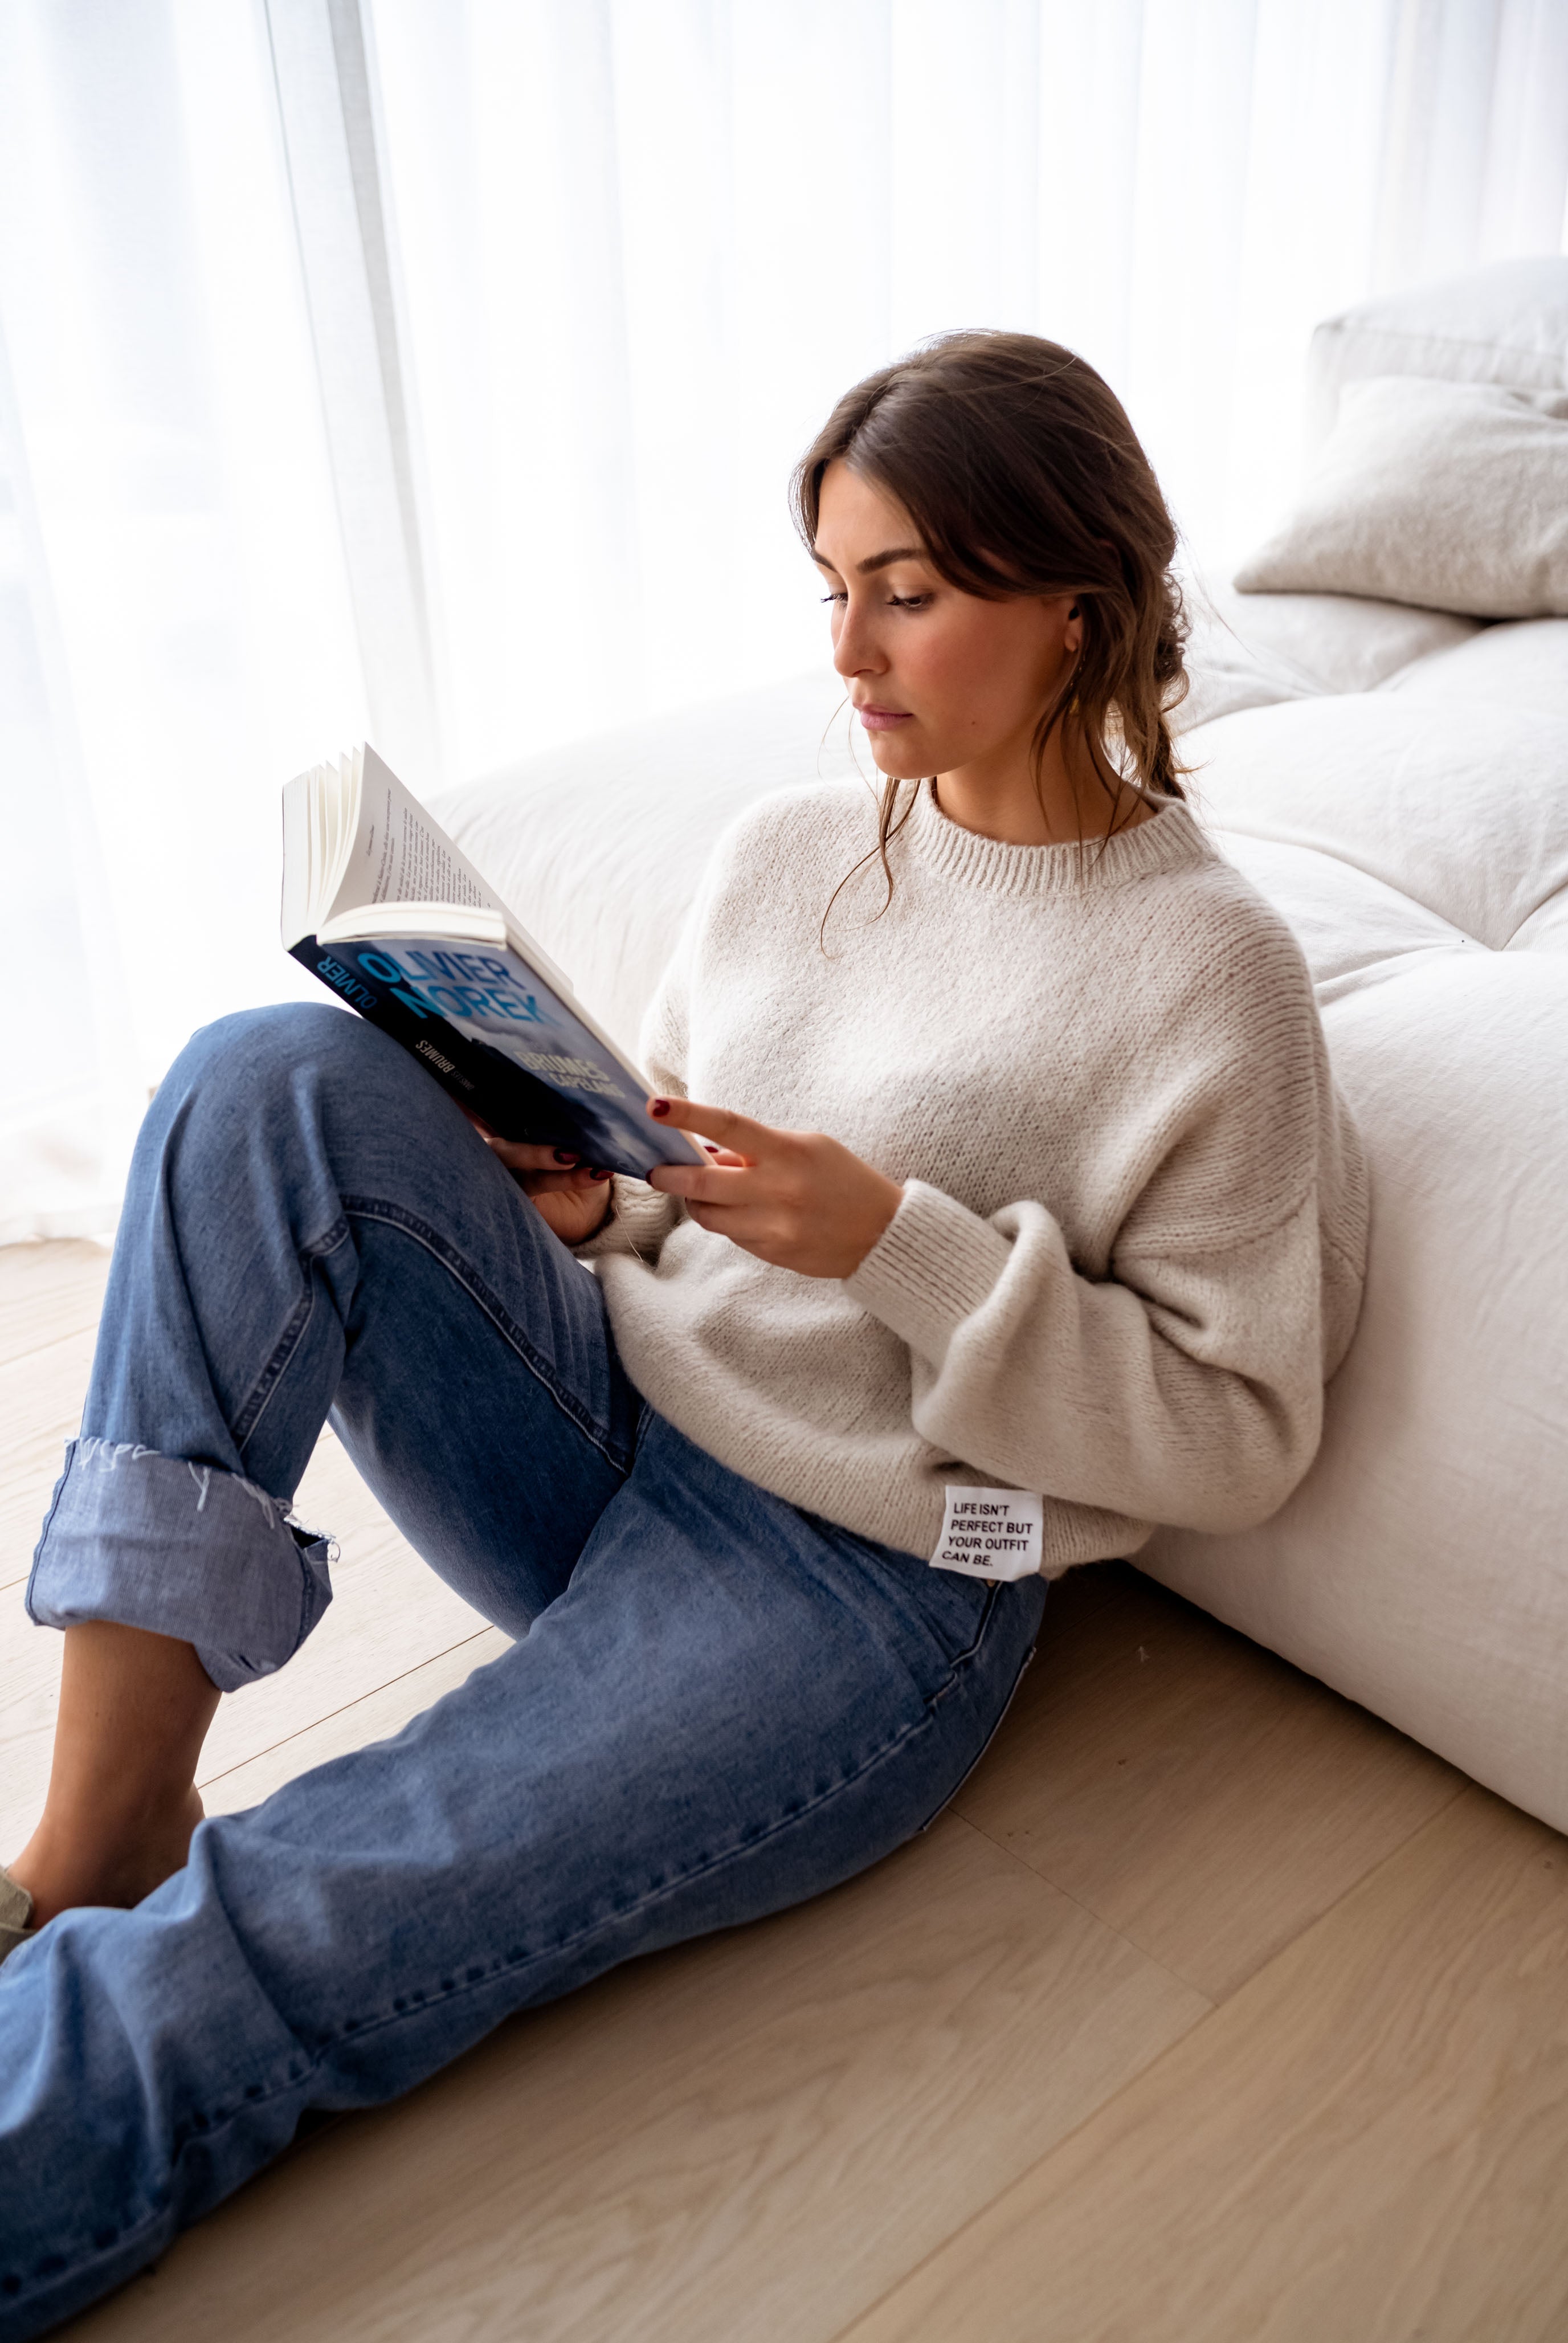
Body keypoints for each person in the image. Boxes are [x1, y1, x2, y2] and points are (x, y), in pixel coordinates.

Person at [0, 331, 1366, 2338]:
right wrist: (596, 1203)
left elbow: (1237, 1432)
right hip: (608, 1411)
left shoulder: (1213, 975)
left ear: (1078, 606)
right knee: (257, 1077)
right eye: (833, 590)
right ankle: (99, 1829)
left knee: (306, 1911)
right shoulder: (786, 852)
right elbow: (678, 1177)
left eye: (907, 593)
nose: (850, 654)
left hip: (857, 1587)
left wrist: (896, 1244)